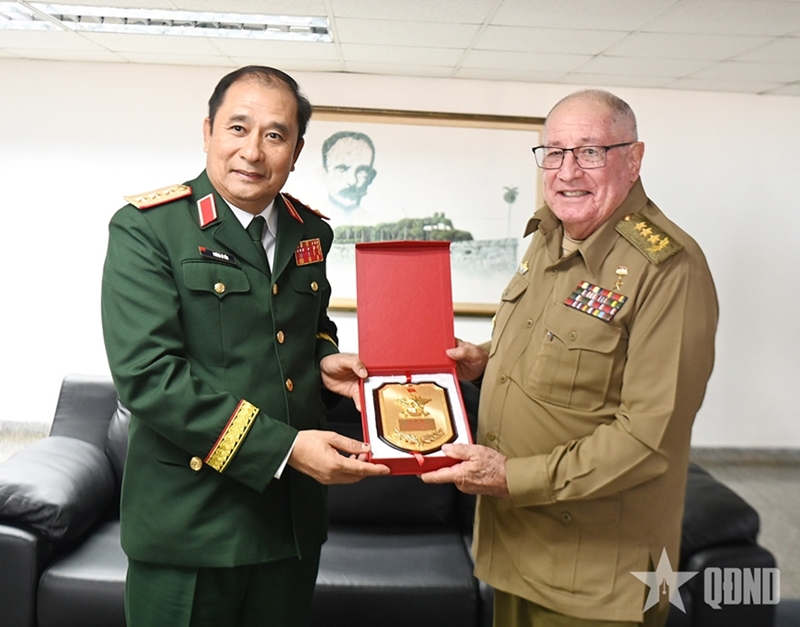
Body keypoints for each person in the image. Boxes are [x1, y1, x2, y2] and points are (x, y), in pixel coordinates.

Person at [101, 65, 389, 627]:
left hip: (290, 523)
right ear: (208, 131)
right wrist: (285, 450)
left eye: (275, 135)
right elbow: (148, 378)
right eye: (237, 128)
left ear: (296, 151)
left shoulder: (311, 232)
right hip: (190, 524)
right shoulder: (149, 229)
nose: (252, 152)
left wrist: (326, 358)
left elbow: (309, 325)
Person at [421, 90, 718, 626]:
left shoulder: (669, 268)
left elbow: (649, 437)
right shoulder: (549, 235)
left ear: (634, 158)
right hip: (515, 548)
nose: (567, 171)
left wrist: (514, 476)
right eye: (554, 152)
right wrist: (487, 359)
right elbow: (565, 349)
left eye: (590, 152)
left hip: (598, 577)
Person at [320, 130, 377, 223]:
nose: (353, 181)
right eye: (342, 169)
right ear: (323, 174)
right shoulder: (311, 222)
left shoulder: (373, 221)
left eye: (361, 171)